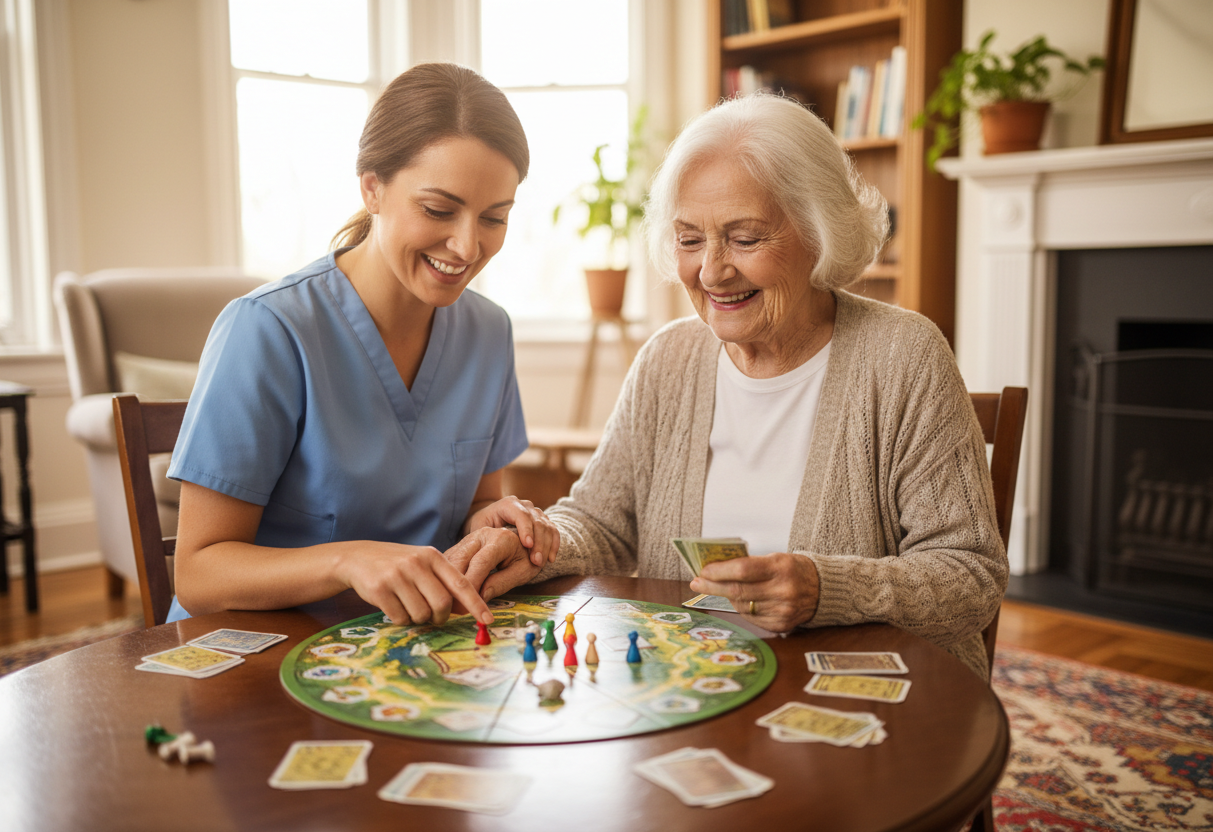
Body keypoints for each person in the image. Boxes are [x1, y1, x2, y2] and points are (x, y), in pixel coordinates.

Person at [476, 93, 1008, 682]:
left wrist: (824, 589)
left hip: (861, 690)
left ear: (820, 232)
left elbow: (969, 577)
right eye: (689, 239)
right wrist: (536, 545)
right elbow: (600, 523)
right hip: (690, 683)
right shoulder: (668, 359)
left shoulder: (904, 356)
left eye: (745, 238)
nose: (710, 272)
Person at [166, 63, 559, 627]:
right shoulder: (267, 330)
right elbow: (199, 576)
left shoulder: (489, 332)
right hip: (264, 650)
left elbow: (472, 508)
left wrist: (492, 521)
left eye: (494, 218)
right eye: (438, 210)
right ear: (372, 188)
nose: (468, 246)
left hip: (410, 649)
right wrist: (347, 561)